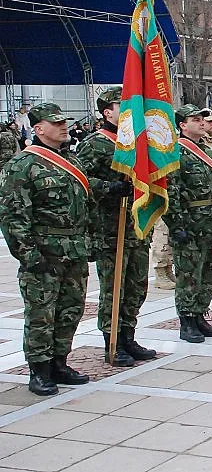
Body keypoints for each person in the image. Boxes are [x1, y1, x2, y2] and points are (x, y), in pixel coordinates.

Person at [0, 103, 91, 395]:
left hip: (74, 250)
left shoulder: (72, 161)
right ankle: (39, 370)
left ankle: (59, 363)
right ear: (38, 129)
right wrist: (29, 255)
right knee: (41, 313)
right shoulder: (22, 165)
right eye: (56, 123)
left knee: (70, 310)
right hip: (44, 252)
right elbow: (14, 217)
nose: (63, 126)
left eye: (65, 121)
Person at [76, 88, 156, 366]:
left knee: (136, 286)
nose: (127, 111)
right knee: (115, 288)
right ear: (106, 112)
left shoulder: (139, 142)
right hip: (111, 228)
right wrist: (109, 187)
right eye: (119, 105)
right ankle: (113, 339)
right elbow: (80, 180)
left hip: (136, 226)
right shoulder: (95, 144)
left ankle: (129, 335)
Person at [164, 104, 212, 343]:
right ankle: (187, 320)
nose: (202, 122)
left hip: (211, 222)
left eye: (203, 119)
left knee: (209, 272)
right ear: (182, 125)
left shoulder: (208, 152)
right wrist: (176, 225)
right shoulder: (175, 152)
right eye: (195, 119)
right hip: (191, 223)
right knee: (189, 274)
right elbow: (172, 191)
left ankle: (200, 313)